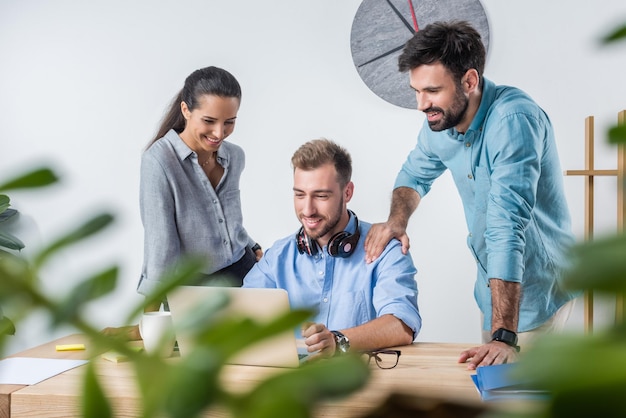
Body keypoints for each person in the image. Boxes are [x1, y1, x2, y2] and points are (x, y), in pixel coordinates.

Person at [363, 21, 578, 369]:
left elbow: (506, 227)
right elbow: (414, 174)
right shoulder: (441, 120)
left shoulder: (514, 120)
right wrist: (396, 221)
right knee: (492, 394)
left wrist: (504, 336)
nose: (421, 104)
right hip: (493, 291)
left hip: (538, 291)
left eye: (432, 90)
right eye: (416, 91)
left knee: (524, 402)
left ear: (470, 81)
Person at [104, 66, 262, 340]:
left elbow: (227, 219)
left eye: (229, 122)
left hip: (246, 274)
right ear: (186, 110)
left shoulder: (235, 157)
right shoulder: (159, 162)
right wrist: (147, 325)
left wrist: (254, 247)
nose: (219, 132)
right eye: (209, 120)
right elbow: (160, 248)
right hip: (196, 290)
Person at [243, 139, 421, 357]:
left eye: (321, 196)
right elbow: (238, 313)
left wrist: (339, 341)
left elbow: (402, 326)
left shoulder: (386, 251)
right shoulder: (278, 257)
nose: (307, 210)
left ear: (347, 192)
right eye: (300, 194)